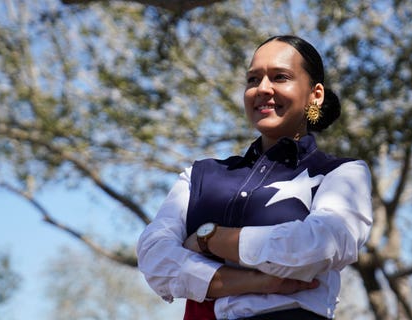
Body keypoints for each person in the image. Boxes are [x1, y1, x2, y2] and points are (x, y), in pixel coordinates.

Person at [137, 35, 373, 320]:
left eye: (280, 77)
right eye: (252, 79)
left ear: (316, 95)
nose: (262, 89)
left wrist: (209, 238)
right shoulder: (199, 175)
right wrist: (259, 282)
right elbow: (154, 257)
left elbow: (322, 245)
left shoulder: (342, 173)